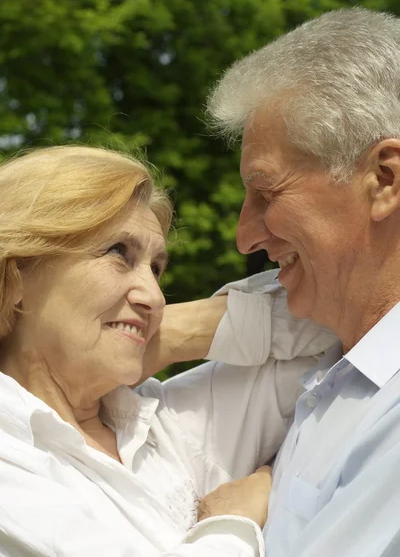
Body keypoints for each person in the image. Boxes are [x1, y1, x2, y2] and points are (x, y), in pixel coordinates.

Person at [0, 145, 335, 557]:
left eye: (156, 269)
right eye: (118, 253)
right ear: (16, 277)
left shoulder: (159, 426)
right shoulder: (12, 459)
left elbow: (345, 307)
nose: (155, 297)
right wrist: (230, 526)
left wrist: (176, 332)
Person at [206, 6, 400, 556]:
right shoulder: (335, 375)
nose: (245, 237)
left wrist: (225, 528)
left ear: (383, 180)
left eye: (266, 193)